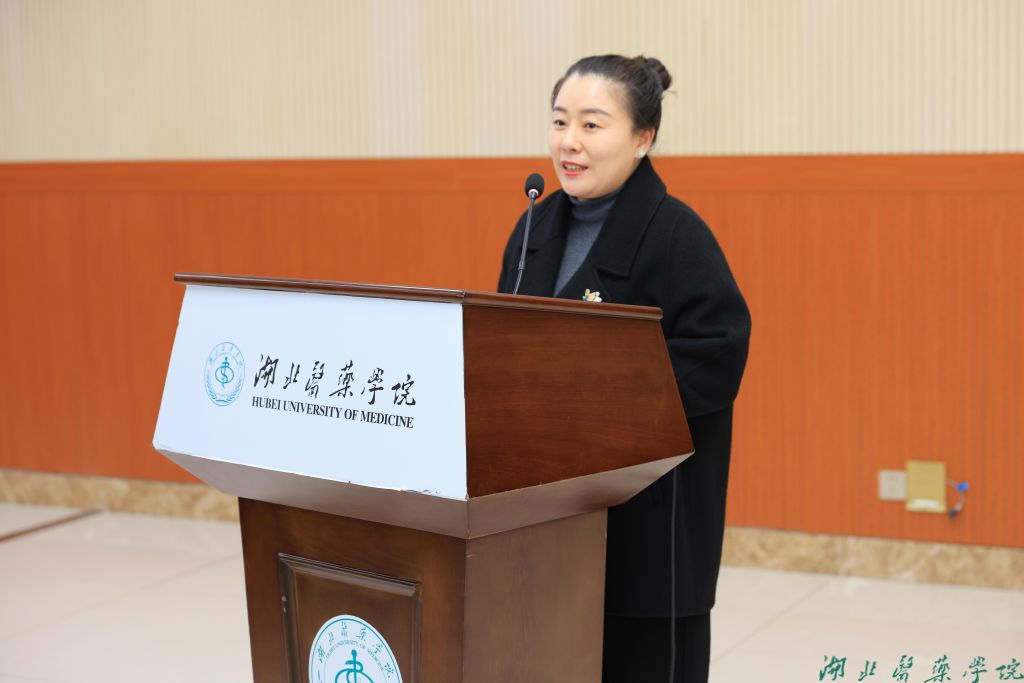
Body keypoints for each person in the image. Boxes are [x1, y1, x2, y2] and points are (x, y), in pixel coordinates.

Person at [496, 55, 751, 682]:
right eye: (560, 121)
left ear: (643, 138)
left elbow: (718, 353)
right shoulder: (533, 227)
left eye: (592, 124)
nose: (569, 142)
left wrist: (603, 404)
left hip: (648, 526)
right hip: (547, 520)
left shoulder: (677, 234)